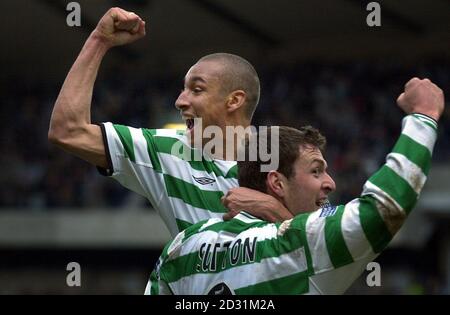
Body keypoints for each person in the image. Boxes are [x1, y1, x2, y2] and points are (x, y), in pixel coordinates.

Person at [146, 78, 444, 294]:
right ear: (276, 182)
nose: (330, 183)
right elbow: (385, 208)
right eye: (316, 171)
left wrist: (275, 209)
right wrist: (423, 116)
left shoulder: (184, 246)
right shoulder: (306, 241)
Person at [48, 7, 287, 236]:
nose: (180, 101)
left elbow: (324, 225)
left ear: (234, 100)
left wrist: (273, 210)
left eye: (197, 90)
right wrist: (99, 40)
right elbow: (67, 131)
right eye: (183, 90)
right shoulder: (168, 151)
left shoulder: (281, 155)